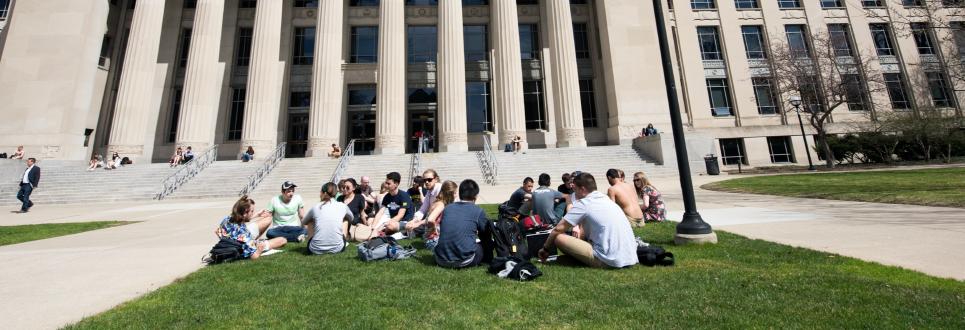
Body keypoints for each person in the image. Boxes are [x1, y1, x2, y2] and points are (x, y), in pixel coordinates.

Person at [537, 172, 639, 268]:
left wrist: (545, 248)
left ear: (582, 189)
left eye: (575, 189)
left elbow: (558, 229)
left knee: (558, 237)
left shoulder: (584, 203)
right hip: (630, 257)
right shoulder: (605, 199)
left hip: (611, 261)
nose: (574, 193)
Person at [433, 179, 494, 268]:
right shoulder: (478, 211)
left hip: (440, 259)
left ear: (460, 193)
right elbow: (485, 235)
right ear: (476, 196)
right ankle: (488, 260)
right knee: (484, 245)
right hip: (464, 260)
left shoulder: (448, 208)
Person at [216, 196, 287, 260]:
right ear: (244, 213)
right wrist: (259, 249)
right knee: (282, 240)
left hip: (237, 240)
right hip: (248, 242)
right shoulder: (244, 235)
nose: (253, 213)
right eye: (252, 211)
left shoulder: (227, 219)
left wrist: (257, 215)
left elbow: (217, 231)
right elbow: (254, 256)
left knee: (268, 219)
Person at [302, 182, 354, 254]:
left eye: (320, 192)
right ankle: (343, 241)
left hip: (315, 249)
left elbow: (304, 222)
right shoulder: (342, 206)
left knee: (310, 221)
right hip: (338, 248)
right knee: (345, 220)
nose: (319, 194)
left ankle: (316, 242)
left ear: (324, 193)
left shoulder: (316, 207)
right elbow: (351, 218)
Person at [419, 180, 457, 251]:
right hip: (433, 241)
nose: (456, 195)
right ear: (449, 194)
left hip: (433, 239)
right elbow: (430, 219)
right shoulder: (441, 204)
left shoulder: (439, 202)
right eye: (455, 193)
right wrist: (434, 229)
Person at [374, 172, 414, 237]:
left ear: (396, 184)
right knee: (371, 221)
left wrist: (384, 224)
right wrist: (373, 227)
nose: (386, 185)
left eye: (388, 183)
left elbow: (400, 215)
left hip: (405, 222)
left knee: (390, 226)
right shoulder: (387, 196)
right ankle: (384, 233)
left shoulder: (404, 196)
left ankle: (405, 233)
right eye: (386, 183)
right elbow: (380, 213)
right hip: (394, 221)